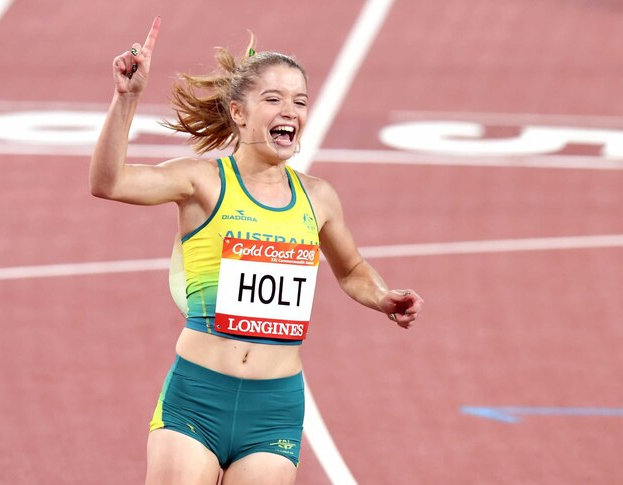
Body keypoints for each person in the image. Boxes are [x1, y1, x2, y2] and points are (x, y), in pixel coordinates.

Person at [90, 17, 424, 485]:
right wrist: (126, 100)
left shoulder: (318, 198)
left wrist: (383, 296)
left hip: (274, 410)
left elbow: (351, 269)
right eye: (273, 99)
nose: (290, 109)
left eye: (300, 100)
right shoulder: (203, 181)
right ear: (239, 113)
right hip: (198, 398)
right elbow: (108, 183)